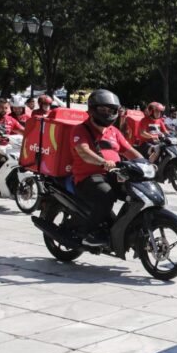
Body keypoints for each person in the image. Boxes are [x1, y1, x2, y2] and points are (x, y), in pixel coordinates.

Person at [71, 90, 143, 247]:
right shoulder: (81, 129)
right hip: (87, 177)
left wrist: (145, 163)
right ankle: (89, 233)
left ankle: (121, 228)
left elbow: (129, 151)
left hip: (113, 174)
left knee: (136, 193)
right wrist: (103, 162)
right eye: (102, 109)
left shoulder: (114, 132)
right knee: (106, 195)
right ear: (92, 109)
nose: (107, 113)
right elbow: (84, 152)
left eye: (111, 110)